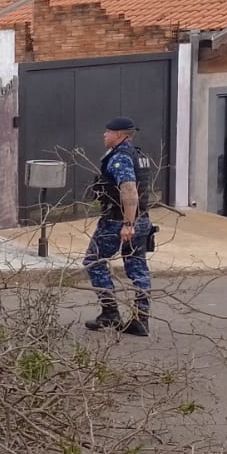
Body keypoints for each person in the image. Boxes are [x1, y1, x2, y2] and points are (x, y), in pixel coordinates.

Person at [83, 117, 155, 337]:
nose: (104, 135)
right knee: (138, 269)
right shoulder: (138, 155)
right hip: (143, 220)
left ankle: (110, 313)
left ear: (120, 135)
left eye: (108, 132)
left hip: (118, 221)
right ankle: (141, 319)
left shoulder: (121, 158)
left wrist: (127, 224)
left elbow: (129, 190)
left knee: (94, 261)